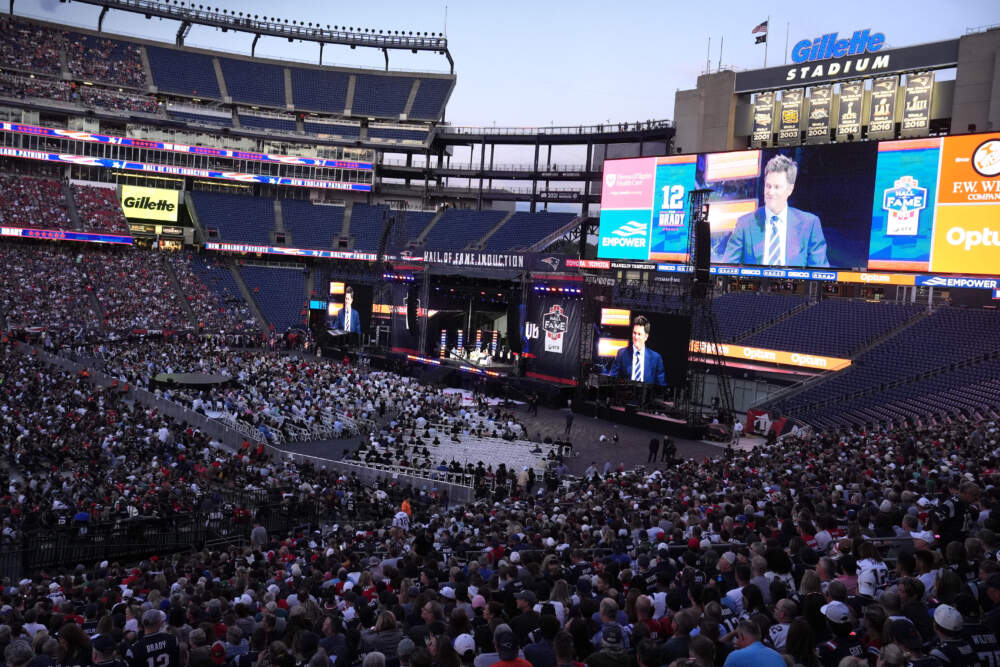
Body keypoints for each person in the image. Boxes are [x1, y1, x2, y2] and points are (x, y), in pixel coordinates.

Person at [721, 154, 829, 268]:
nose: (771, 192)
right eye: (768, 186)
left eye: (777, 187)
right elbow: (727, 269)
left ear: (790, 189)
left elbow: (820, 274)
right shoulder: (744, 224)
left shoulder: (809, 224)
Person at [608, 316, 665, 386]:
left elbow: (661, 385)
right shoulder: (622, 354)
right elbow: (611, 380)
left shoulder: (656, 358)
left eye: (639, 334)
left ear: (646, 337)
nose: (636, 337)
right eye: (634, 333)